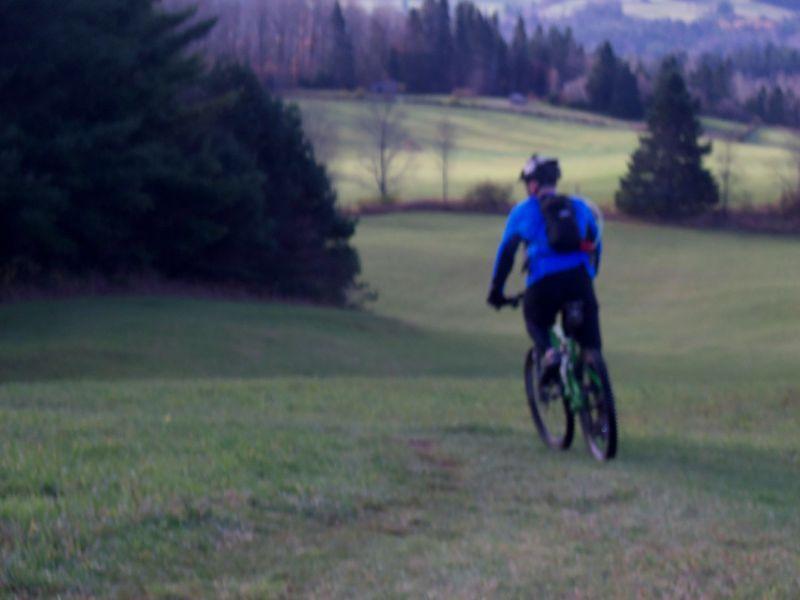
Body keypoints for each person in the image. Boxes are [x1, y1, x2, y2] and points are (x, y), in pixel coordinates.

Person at [486, 154, 604, 384]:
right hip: (579, 279)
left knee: (535, 321)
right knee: (589, 343)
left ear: (533, 184)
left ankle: (550, 355)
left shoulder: (522, 211)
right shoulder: (578, 206)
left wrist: (496, 290)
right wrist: (590, 275)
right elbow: (596, 242)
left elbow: (506, 254)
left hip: (543, 283)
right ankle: (598, 388)